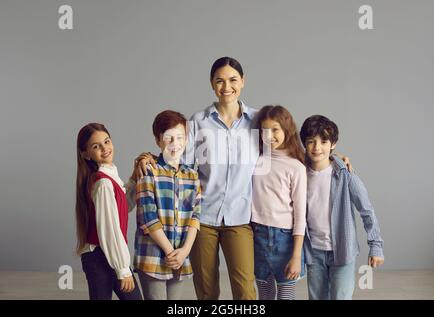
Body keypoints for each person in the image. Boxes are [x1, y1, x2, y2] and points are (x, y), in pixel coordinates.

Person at [134, 56, 353, 300]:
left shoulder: (258, 121)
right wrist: (148, 157)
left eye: (233, 80)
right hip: (203, 217)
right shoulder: (198, 121)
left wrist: (333, 158)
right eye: (219, 81)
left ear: (243, 82)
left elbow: (285, 147)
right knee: (206, 289)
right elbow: (178, 159)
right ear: (211, 84)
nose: (226, 87)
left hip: (241, 217)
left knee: (246, 290)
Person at [299, 115, 385, 300]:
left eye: (324, 141)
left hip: (343, 251)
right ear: (304, 144)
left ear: (333, 144)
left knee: (340, 297)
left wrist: (376, 246)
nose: (317, 147)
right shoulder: (299, 174)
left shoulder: (346, 176)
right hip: (313, 251)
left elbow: (367, 211)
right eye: (311, 141)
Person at [134, 110, 201, 300]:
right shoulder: (149, 171)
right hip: (154, 255)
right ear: (158, 140)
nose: (175, 144)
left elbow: (195, 216)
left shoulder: (192, 176)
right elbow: (148, 218)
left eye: (180, 137)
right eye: (168, 138)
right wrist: (171, 253)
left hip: (180, 256)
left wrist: (184, 251)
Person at [75, 123, 142, 300]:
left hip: (108, 255)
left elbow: (122, 207)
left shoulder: (109, 175)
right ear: (85, 154)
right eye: (96, 146)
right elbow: (110, 230)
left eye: (107, 142)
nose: (105, 148)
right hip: (100, 257)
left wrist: (134, 178)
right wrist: (122, 268)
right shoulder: (103, 183)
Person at [251, 105, 307, 300]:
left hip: (285, 239)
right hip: (256, 235)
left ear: (286, 129)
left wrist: (296, 256)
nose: (269, 136)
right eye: (264, 130)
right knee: (265, 295)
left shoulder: (296, 167)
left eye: (275, 129)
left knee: (286, 296)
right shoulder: (254, 161)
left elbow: (300, 215)